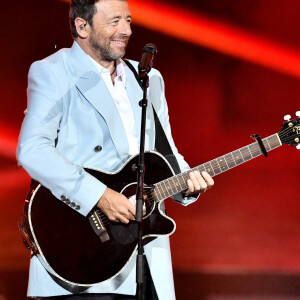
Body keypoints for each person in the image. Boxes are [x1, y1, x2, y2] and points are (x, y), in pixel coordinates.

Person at [17, 0, 214, 299]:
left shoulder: (149, 79)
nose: (127, 30)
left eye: (129, 20)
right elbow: (32, 149)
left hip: (145, 254)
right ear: (82, 26)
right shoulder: (53, 72)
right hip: (83, 253)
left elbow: (167, 154)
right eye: (115, 21)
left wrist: (187, 186)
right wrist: (99, 196)